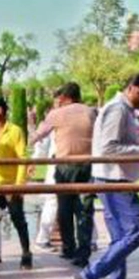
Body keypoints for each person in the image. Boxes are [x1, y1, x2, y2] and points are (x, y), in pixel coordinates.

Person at [74, 72, 139, 279]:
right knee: (134, 233)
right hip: (114, 180)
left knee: (120, 238)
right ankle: (90, 275)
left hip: (112, 178)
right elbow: (108, 148)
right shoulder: (118, 109)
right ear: (132, 88)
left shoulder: (123, 110)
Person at [31, 82, 96, 267]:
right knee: (84, 210)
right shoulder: (90, 112)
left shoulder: (56, 113)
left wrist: (28, 144)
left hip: (65, 166)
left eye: (59, 97)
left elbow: (39, 134)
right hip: (87, 165)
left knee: (65, 209)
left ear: (65, 97)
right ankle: (83, 252)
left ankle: (69, 248)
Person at [0, 96, 33, 271]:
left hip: (12, 184)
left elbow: (22, 158)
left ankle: (26, 253)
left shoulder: (15, 131)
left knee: (19, 220)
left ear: (0, 111)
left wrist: (19, 185)